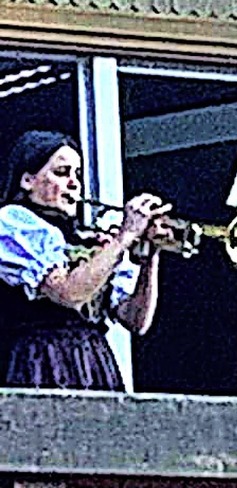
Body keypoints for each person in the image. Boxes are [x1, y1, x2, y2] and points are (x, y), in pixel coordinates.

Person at [0, 130, 172, 391]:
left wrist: (151, 255)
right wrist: (123, 238)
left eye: (77, 174)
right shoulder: (13, 223)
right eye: (61, 172)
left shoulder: (88, 238)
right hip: (39, 360)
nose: (74, 183)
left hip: (93, 363)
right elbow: (68, 293)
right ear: (27, 180)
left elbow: (135, 320)